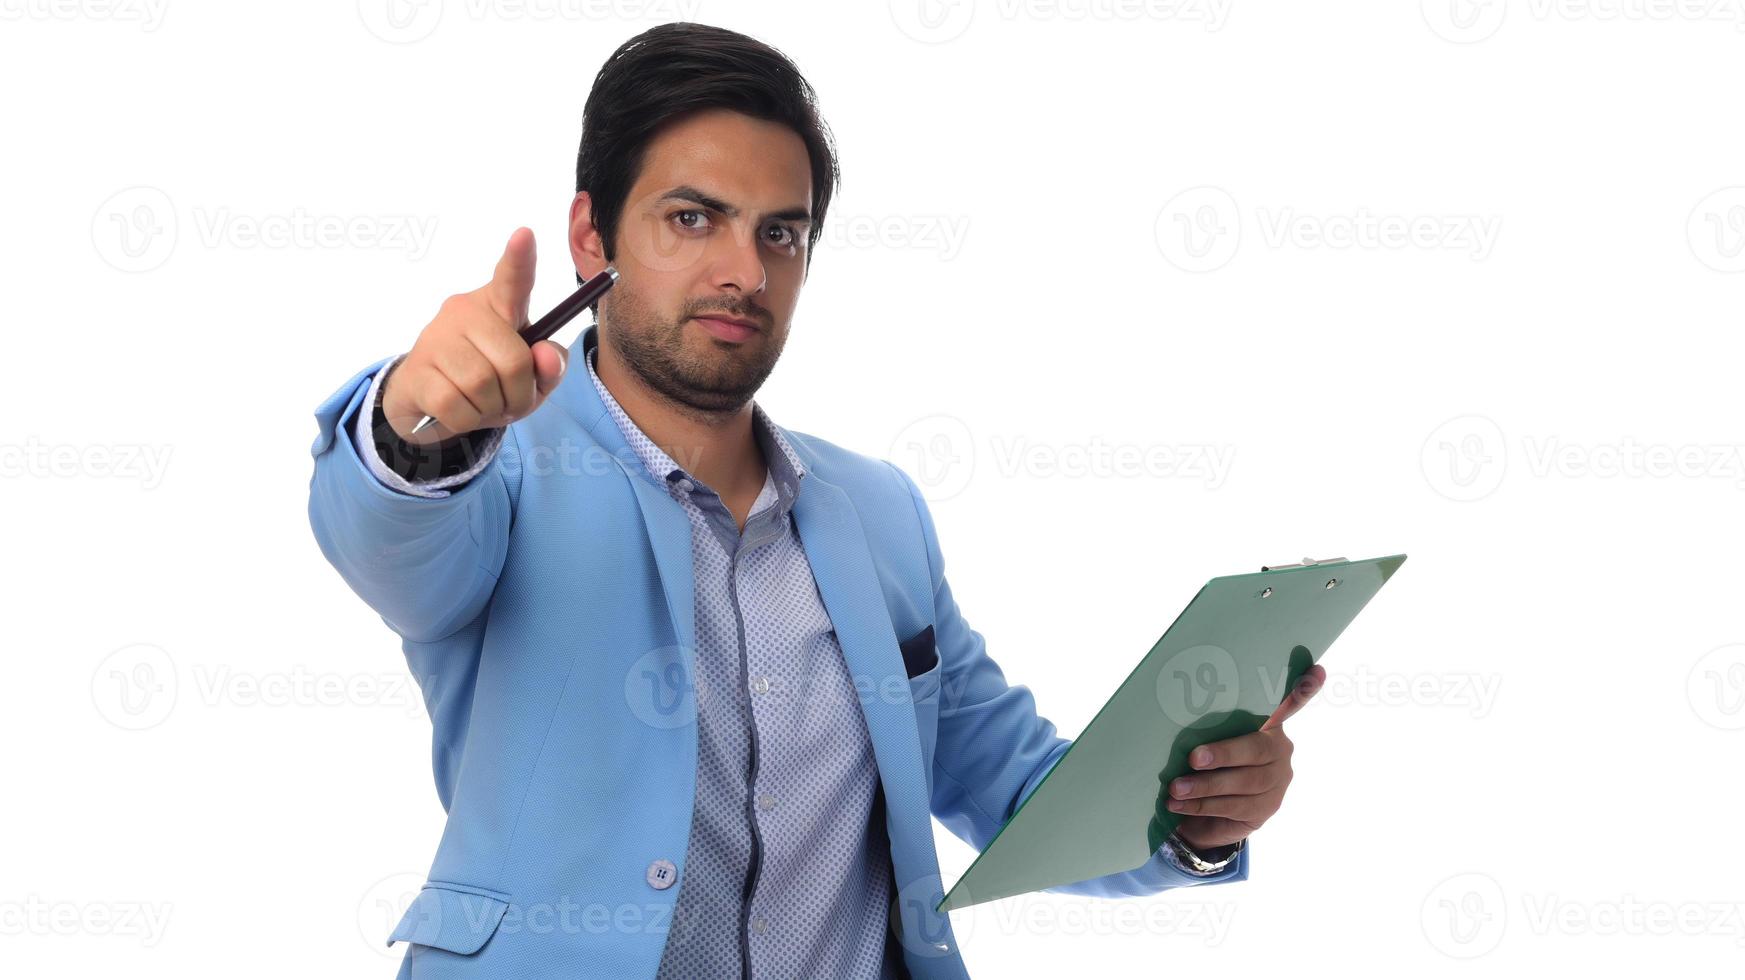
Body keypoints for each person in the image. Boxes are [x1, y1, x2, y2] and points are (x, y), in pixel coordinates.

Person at [307, 21, 1320, 980]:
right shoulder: (495, 472)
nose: (743, 272)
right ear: (589, 234)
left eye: (780, 233)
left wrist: (1194, 810)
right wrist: (415, 423)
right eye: (691, 217)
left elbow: (1014, 790)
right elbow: (384, 532)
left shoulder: (878, 511)